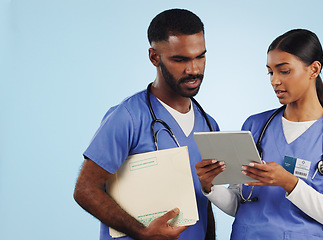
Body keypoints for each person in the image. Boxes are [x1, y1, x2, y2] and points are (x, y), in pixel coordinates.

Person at [196, 29, 323, 240]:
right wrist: (209, 186)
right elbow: (238, 205)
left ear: (314, 69)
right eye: (270, 72)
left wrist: (289, 182)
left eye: (284, 71)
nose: (274, 81)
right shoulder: (255, 126)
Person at [74, 9, 219, 240]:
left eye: (200, 56)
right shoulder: (128, 117)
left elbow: (204, 202)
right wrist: (142, 232)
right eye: (180, 59)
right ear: (154, 57)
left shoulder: (209, 125)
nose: (193, 69)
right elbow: (85, 190)